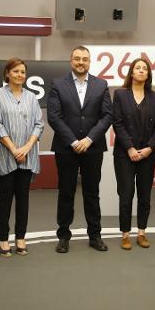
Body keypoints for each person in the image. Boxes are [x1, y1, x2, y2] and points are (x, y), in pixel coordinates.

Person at [47, 45, 113, 253]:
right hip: (66, 149)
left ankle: (95, 235)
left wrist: (90, 139)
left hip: (93, 149)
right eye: (77, 59)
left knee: (92, 193)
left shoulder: (101, 85)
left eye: (84, 59)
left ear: (89, 62)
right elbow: (54, 117)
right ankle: (63, 236)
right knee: (65, 192)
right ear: (71, 60)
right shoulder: (58, 84)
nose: (81, 62)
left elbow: (107, 116)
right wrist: (74, 141)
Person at [0, 58, 44, 257]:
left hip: (28, 156)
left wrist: (27, 147)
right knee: (5, 198)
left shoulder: (31, 97)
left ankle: (20, 237)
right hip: (6, 155)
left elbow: (39, 124)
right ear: (7, 74)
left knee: (23, 199)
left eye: (23, 72)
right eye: (16, 71)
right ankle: (3, 239)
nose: (20, 75)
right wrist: (14, 149)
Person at [112, 58, 155, 250]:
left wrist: (149, 147)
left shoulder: (154, 97)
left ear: (148, 74)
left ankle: (141, 232)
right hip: (125, 154)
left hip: (148, 154)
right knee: (125, 195)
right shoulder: (120, 94)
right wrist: (130, 148)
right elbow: (117, 123)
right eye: (137, 68)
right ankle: (125, 234)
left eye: (144, 69)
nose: (141, 71)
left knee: (144, 195)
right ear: (131, 73)